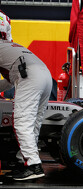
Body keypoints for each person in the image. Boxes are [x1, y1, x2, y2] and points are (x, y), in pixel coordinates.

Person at [0, 40, 52, 180]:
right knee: (33, 123)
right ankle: (24, 162)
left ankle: (33, 166)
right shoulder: (10, 46)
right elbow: (9, 81)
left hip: (29, 76)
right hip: (45, 75)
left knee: (22, 122)